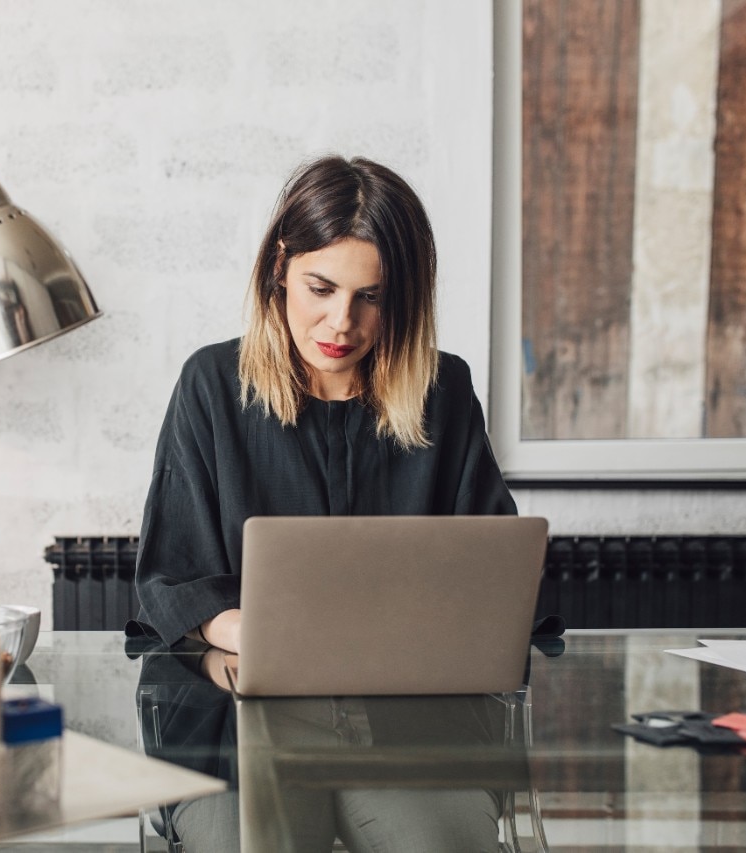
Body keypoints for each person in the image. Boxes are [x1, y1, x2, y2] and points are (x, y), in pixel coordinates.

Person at [129, 155, 516, 652]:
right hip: (249, 689)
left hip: (410, 687)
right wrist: (261, 636)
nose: (341, 321)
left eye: (371, 297)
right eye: (321, 289)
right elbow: (176, 580)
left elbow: (494, 572)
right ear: (280, 267)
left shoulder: (445, 389)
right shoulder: (212, 384)